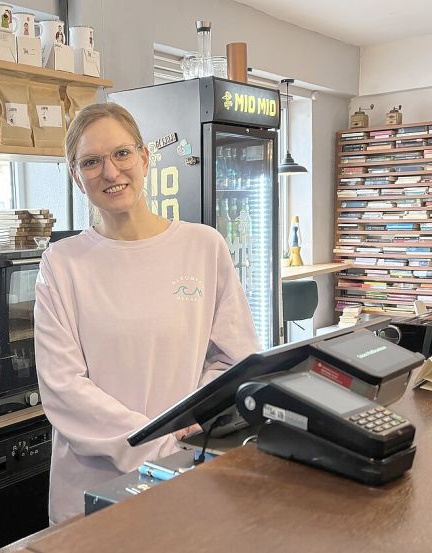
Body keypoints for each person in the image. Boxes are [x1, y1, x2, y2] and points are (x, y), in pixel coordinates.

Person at [33, 102, 261, 523]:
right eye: (91, 161)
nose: (110, 171)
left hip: (186, 475)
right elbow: (63, 389)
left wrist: (196, 422)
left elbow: (234, 358)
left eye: (121, 154)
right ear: (76, 176)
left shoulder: (203, 246)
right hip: (93, 491)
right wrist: (160, 443)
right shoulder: (61, 263)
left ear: (145, 158)